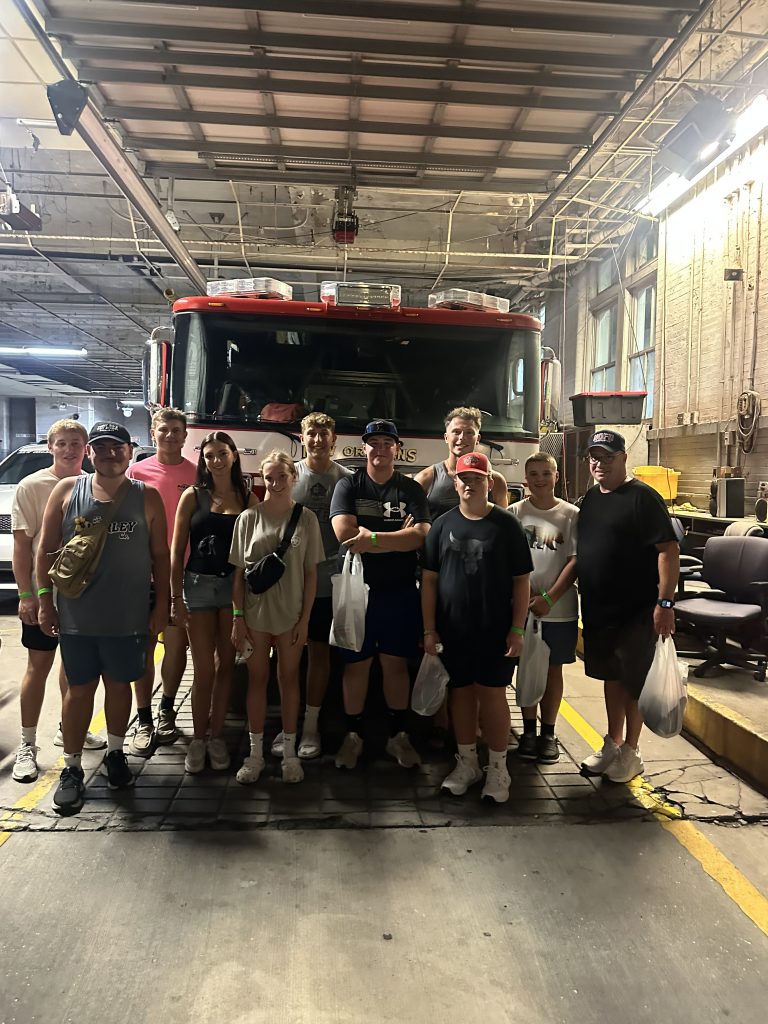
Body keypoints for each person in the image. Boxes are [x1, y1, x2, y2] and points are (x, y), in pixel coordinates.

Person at [36, 421, 170, 814]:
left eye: (117, 447)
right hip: (77, 617)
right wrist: (44, 601)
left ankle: (115, 753)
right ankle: (72, 767)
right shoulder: (67, 490)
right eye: (101, 447)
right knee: (79, 690)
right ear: (90, 453)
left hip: (128, 617)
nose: (109, 454)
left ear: (130, 452)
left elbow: (161, 556)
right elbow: (46, 548)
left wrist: (162, 605)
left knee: (119, 685)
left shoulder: (147, 496)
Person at [421, 452, 532, 804]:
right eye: (464, 479)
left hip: (494, 630)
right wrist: (429, 629)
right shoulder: (441, 526)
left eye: (477, 479)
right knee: (461, 694)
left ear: (489, 482)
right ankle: (467, 762)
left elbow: (522, 581)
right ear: (455, 483)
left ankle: (498, 768)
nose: (470, 484)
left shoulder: (507, 525)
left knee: (493, 694)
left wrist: (517, 629)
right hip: (453, 631)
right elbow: (429, 581)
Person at [577, 430, 679, 784]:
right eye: (594, 457)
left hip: (636, 611)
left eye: (607, 457)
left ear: (623, 458)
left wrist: (665, 602)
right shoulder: (591, 498)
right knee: (610, 677)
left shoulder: (643, 498)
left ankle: (632, 752)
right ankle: (613, 743)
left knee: (633, 682)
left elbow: (668, 551)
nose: (599, 463)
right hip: (599, 610)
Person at [330, 419, 431, 771]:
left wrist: (371, 538)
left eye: (388, 443)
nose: (381, 449)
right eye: (374, 443)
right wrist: (396, 539)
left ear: (397, 449)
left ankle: (398, 736)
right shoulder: (348, 485)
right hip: (355, 592)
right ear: (365, 448)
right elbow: (345, 534)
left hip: (399, 591)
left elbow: (420, 536)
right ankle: (353, 736)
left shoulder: (410, 489)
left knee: (395, 665)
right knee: (355, 666)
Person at [10, 419, 105, 783]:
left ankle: (69, 729)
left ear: (86, 449)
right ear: (50, 447)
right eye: (62, 443)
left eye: (75, 443)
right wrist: (27, 595)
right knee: (38, 666)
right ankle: (27, 745)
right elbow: (22, 547)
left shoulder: (93, 485)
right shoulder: (32, 486)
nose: (68, 450)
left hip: (81, 597)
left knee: (75, 667)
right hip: (43, 593)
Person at [229, 451, 323, 785]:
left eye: (282, 476)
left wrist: (305, 619)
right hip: (255, 614)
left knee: (289, 679)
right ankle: (255, 754)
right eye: (269, 477)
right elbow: (238, 576)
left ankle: (290, 753)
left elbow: (310, 574)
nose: (275, 483)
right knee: (257, 680)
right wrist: (238, 617)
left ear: (293, 477)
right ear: (262, 478)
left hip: (291, 615)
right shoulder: (248, 518)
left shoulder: (306, 519)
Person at [171, 431, 256, 773]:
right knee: (204, 669)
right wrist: (175, 597)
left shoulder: (247, 498)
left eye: (222, 453)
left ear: (234, 455)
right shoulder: (193, 496)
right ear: (203, 461)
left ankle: (217, 736)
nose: (216, 461)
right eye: (209, 456)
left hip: (233, 589)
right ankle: (198, 738)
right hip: (198, 587)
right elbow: (177, 550)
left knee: (226, 667)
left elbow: (254, 548)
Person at [270, 412, 352, 761]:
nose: (317, 440)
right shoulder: (289, 475)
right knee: (286, 653)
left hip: (328, 581)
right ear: (301, 438)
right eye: (311, 434)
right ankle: (287, 723)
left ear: (334, 440)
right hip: (289, 581)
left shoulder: (347, 480)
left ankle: (311, 726)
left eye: (324, 434)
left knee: (319, 651)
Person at [125, 408, 197, 755]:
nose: (170, 435)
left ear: (185, 436)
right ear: (153, 433)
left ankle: (167, 709)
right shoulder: (135, 473)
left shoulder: (197, 475)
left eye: (176, 430)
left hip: (183, 575)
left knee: (176, 645)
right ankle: (144, 719)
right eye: (163, 430)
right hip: (144, 576)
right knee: (144, 648)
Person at [510, 452, 579, 764]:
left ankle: (548, 733)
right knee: (527, 668)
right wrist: (524, 597)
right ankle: (527, 731)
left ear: (556, 476)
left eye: (546, 473)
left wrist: (549, 598)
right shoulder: (514, 514)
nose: (540, 479)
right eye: (534, 474)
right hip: (522, 609)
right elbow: (508, 561)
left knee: (552, 670)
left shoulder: (571, 515)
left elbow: (574, 561)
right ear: (526, 479)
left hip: (559, 609)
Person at [414, 406, 509, 519]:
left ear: (478, 439)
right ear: (446, 437)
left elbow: (504, 524)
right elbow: (415, 524)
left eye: (469, 432)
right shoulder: (425, 480)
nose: (462, 437)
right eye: (456, 432)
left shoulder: (496, 481)